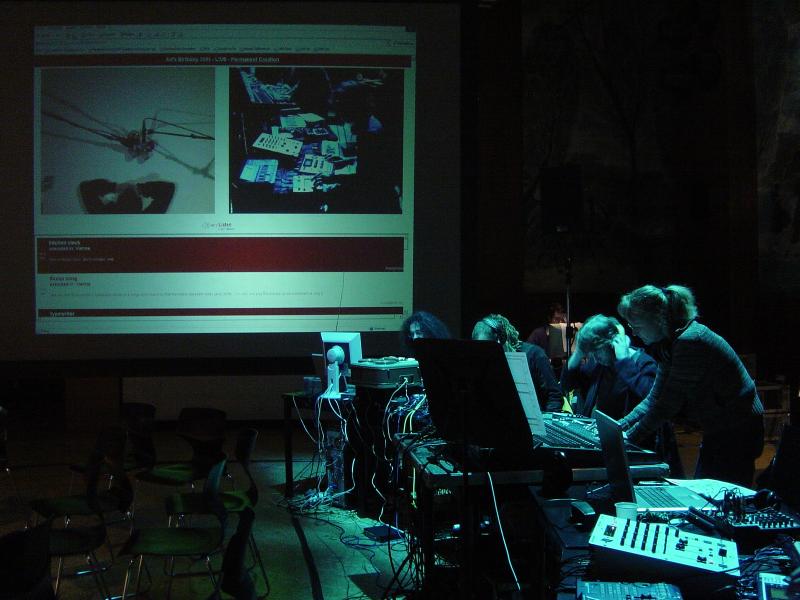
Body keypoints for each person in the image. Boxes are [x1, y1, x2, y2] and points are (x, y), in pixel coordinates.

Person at [617, 284, 764, 487]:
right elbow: (654, 397)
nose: (633, 332)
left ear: (657, 320)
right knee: (709, 489)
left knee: (722, 492)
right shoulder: (671, 342)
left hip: (738, 427)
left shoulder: (690, 341)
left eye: (637, 325)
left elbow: (668, 405)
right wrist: (620, 426)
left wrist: (628, 439)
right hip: (722, 425)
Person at [561, 314, 684, 476]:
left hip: (636, 448)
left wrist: (624, 361)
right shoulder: (601, 366)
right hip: (607, 443)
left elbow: (651, 399)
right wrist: (578, 353)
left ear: (612, 345)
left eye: (597, 353)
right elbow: (567, 384)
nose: (594, 358)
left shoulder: (643, 363)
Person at [472, 313, 564, 412]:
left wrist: (545, 419)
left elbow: (554, 395)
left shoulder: (535, 355)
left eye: (488, 349)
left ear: (501, 339)